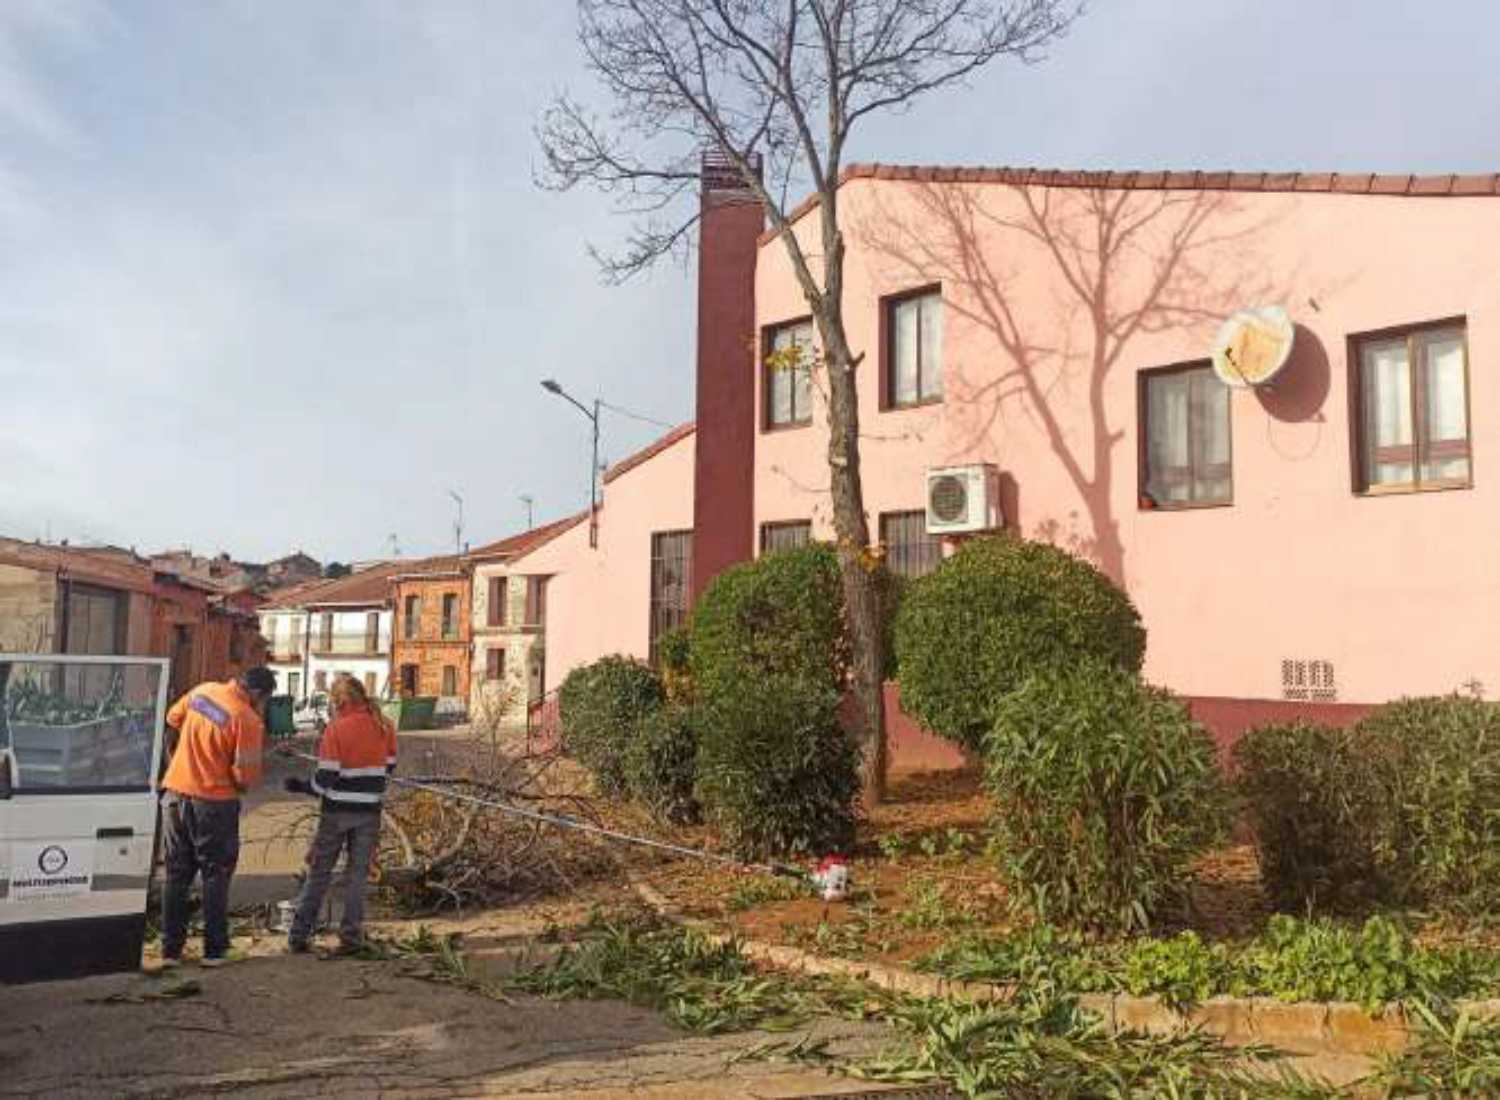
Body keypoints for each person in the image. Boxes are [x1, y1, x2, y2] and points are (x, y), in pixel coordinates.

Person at [159, 666, 274, 968]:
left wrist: (175, 760)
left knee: (176, 874)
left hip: (174, 795)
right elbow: (244, 776)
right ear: (258, 694)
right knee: (215, 874)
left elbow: (172, 719)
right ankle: (214, 949)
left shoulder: (203, 691)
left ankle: (170, 950)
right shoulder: (246, 719)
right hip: (214, 803)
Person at [285, 674, 397, 954]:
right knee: (358, 876)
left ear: (341, 701)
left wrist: (301, 786)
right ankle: (351, 936)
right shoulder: (385, 726)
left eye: (334, 703)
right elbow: (389, 767)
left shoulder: (336, 729)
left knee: (319, 873)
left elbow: (325, 778)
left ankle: (299, 934)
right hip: (369, 810)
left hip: (336, 812)